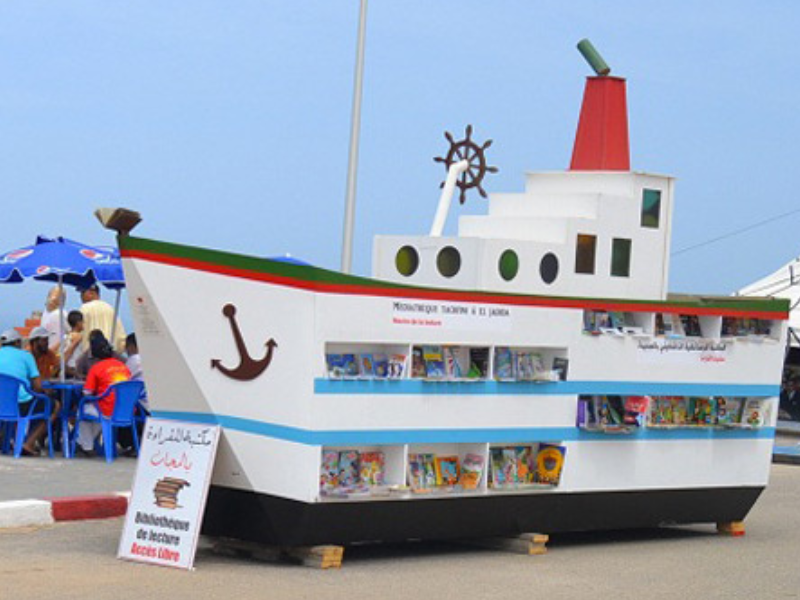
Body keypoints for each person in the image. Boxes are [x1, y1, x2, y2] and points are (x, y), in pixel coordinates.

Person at [75, 333, 131, 457]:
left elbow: (87, 393)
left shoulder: (96, 368)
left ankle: (86, 446)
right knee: (94, 414)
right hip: (125, 411)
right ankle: (87, 443)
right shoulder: (123, 367)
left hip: (106, 410)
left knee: (82, 410)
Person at [0, 329, 47, 455]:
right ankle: (29, 444)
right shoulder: (26, 356)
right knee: (53, 406)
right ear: (16, 343)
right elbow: (37, 387)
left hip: (2, 404)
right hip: (20, 405)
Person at [78, 284, 126, 354]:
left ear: (92, 293)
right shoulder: (110, 309)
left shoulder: (84, 308)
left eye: (82, 293)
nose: (81, 297)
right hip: (110, 354)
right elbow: (121, 338)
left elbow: (79, 332)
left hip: (91, 355)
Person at [40, 286, 68, 353]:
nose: (51, 300)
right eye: (50, 296)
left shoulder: (62, 314)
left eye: (55, 298)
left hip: (58, 353)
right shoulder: (45, 313)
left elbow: (68, 335)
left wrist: (54, 349)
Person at [63, 310, 85, 377]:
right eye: (82, 322)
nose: (84, 324)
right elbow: (69, 352)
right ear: (78, 323)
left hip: (68, 367)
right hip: (74, 367)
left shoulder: (66, 336)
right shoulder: (78, 336)